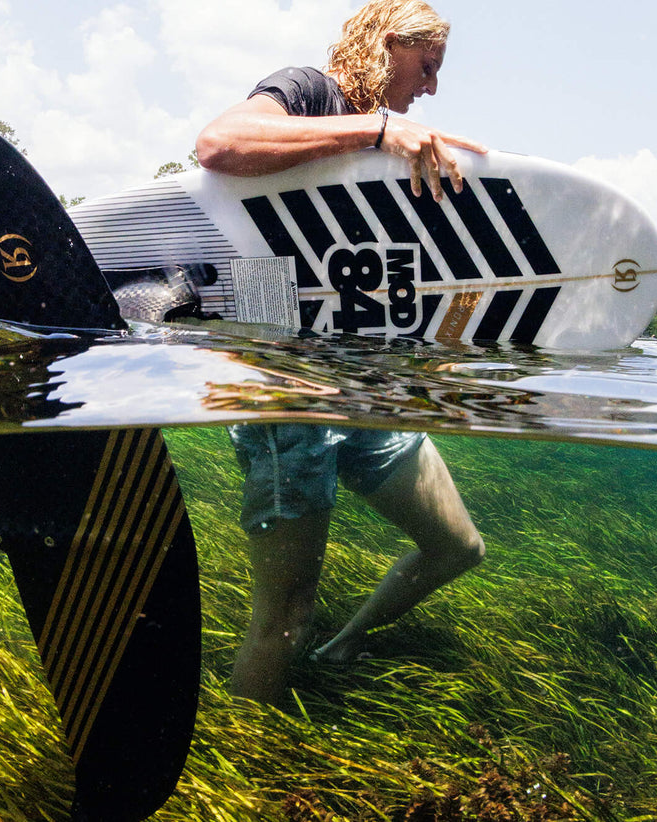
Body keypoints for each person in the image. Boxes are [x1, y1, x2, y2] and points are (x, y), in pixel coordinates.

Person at [196, 0, 488, 706]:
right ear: (389, 45)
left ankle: (344, 642)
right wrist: (379, 130)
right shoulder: (306, 91)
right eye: (428, 66)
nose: (432, 88)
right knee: (282, 617)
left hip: (367, 388)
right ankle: (238, 781)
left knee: (457, 548)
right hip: (284, 393)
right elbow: (217, 144)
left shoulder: (399, 157)